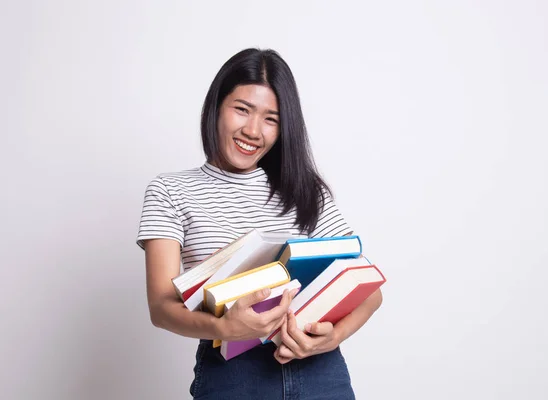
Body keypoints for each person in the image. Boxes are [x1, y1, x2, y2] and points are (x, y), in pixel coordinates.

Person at [136, 48, 383, 399]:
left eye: (271, 118)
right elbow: (161, 309)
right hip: (233, 375)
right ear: (216, 107)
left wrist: (334, 337)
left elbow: (370, 292)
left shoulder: (305, 190)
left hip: (320, 372)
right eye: (242, 109)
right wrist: (225, 326)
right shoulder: (170, 191)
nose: (253, 130)